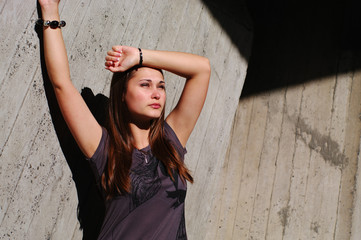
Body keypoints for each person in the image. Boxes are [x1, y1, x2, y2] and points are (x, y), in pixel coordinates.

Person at [38, 0, 210, 239]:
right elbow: (62, 85)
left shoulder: (171, 142)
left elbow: (202, 69)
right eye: (145, 85)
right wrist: (50, 10)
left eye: (161, 86)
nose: (157, 93)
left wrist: (140, 56)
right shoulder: (105, 149)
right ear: (122, 95)